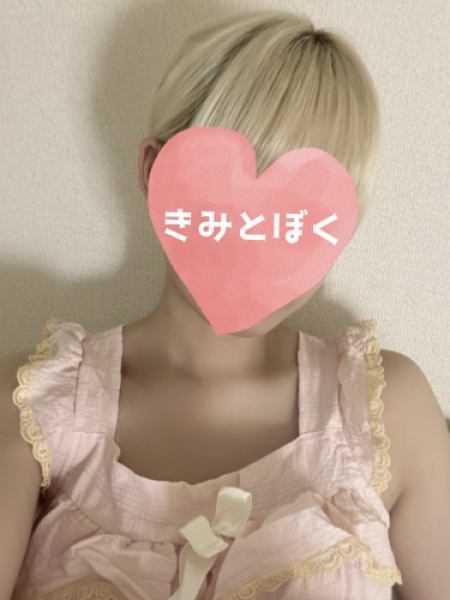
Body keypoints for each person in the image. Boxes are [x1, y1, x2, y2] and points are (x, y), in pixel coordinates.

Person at [2, 9, 450, 600]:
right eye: (231, 198)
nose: (263, 239)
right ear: (154, 172)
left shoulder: (386, 411)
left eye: (305, 214)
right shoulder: (33, 406)